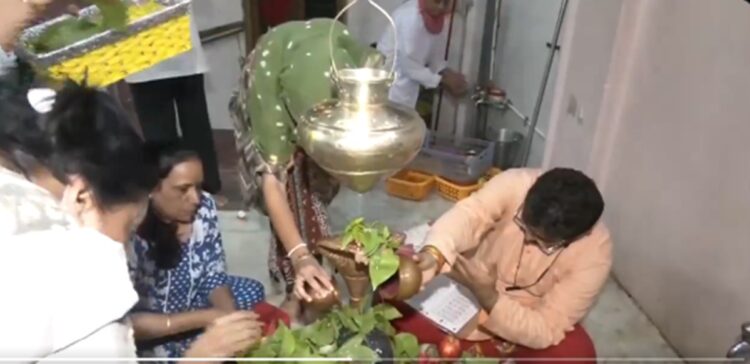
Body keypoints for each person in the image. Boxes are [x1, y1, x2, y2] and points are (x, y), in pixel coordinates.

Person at [0, 82, 260, 362]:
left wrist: (224, 317)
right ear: (82, 198)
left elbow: (213, 275)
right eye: (128, 228)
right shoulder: (86, 307)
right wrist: (198, 357)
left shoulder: (27, 221)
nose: (126, 246)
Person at [230, 18, 383, 320]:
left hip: (320, 77)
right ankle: (295, 284)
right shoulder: (269, 94)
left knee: (314, 192)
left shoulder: (358, 74)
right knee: (286, 192)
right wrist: (300, 257)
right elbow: (271, 183)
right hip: (272, 81)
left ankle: (317, 268)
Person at [392, 168, 611, 361]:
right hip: (462, 291)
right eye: (523, 226)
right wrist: (434, 254)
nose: (528, 239)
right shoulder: (514, 183)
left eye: (541, 241)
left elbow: (546, 326)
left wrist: (489, 296)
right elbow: (470, 214)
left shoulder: (596, 253)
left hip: (522, 320)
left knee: (577, 355)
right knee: (389, 292)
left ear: (576, 237)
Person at [128, 142, 281, 359]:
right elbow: (126, 323)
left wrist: (227, 318)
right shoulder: (130, 233)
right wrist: (205, 318)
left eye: (198, 187)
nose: (195, 198)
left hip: (194, 306)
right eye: (183, 189)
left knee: (250, 292)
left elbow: (213, 274)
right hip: (151, 329)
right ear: (152, 189)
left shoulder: (204, 208)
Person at [126, 2, 225, 205]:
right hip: (142, 52)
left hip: (182, 47)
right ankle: (167, 194)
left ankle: (204, 189)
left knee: (196, 127)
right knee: (159, 136)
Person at [377, 0, 468, 109]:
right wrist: (442, 80)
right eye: (437, 1)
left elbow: (435, 57)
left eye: (446, 3)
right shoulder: (409, 17)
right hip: (391, 85)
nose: (441, 7)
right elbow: (408, 66)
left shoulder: (438, 19)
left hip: (407, 88)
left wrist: (448, 73)